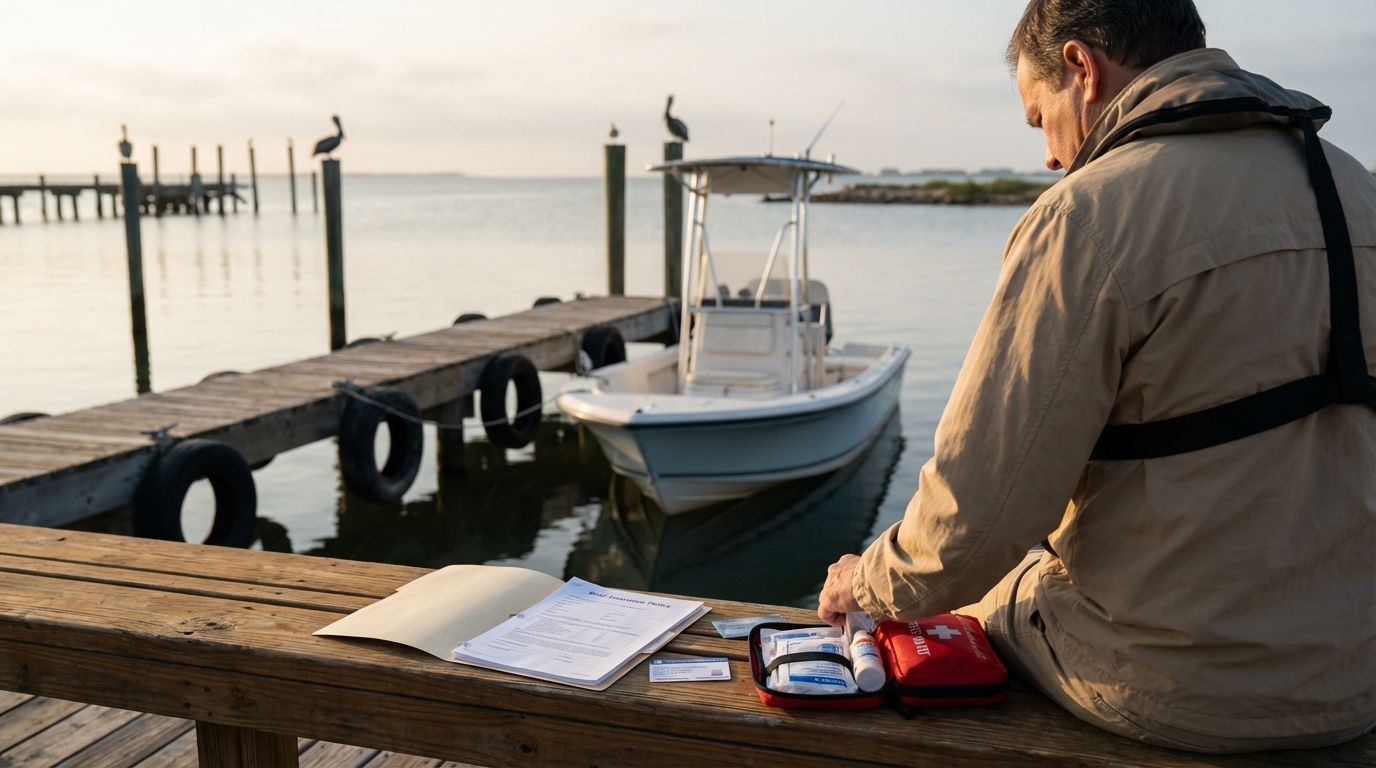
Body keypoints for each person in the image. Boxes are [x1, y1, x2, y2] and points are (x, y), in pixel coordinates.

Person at [816, 0, 1375, 754]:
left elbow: (972, 527)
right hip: (1354, 676)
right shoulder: (1360, 192)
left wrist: (866, 582)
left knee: (968, 599)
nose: (1049, 157)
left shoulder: (1086, 216)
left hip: (1180, 688)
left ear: (1082, 70)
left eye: (1037, 118)